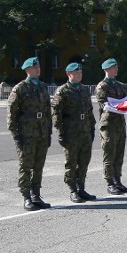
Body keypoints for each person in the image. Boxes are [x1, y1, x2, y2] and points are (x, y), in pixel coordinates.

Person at [7, 57, 52, 210]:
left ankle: (36, 195)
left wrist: (49, 132)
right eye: (35, 67)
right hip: (26, 134)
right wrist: (16, 135)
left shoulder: (43, 87)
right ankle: (26, 197)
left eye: (38, 66)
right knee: (26, 166)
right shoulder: (20, 88)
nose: (38, 69)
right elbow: (11, 114)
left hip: (42, 133)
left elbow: (47, 111)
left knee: (38, 166)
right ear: (27, 70)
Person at [51, 62, 97, 203]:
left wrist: (92, 128)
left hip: (85, 131)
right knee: (71, 162)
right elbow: (56, 114)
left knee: (84, 161)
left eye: (80, 71)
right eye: (76, 72)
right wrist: (60, 132)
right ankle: (73, 190)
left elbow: (89, 111)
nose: (79, 73)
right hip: (71, 132)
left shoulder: (84, 90)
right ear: (68, 74)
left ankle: (81, 188)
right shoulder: (62, 91)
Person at [95, 58, 127, 194]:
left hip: (119, 124)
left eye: (116, 67)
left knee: (119, 153)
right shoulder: (102, 86)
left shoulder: (121, 85)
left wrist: (126, 105)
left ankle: (117, 180)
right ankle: (110, 182)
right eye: (114, 67)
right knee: (109, 154)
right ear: (107, 70)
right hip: (108, 124)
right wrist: (118, 105)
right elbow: (103, 104)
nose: (116, 69)